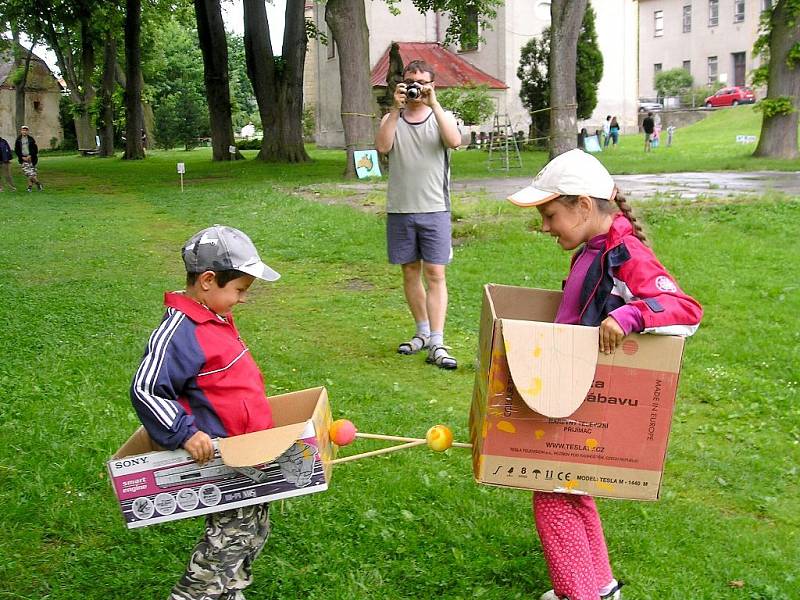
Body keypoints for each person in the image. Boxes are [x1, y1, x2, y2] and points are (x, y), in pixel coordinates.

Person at [507, 149, 703, 600]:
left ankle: (579, 593)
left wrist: (631, 316)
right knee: (574, 487)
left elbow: (686, 309)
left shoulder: (623, 252)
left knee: (552, 493)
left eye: (550, 214)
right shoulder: (595, 246)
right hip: (571, 387)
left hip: (589, 395)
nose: (544, 226)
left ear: (582, 205)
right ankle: (600, 586)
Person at [130, 224, 281, 600]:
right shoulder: (179, 331)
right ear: (209, 281)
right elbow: (146, 388)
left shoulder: (214, 318)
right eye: (240, 290)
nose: (242, 299)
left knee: (254, 529)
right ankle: (193, 595)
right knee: (229, 537)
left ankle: (229, 591)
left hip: (249, 452)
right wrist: (185, 433)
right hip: (222, 456)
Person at [375, 59, 462, 369]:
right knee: (410, 272)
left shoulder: (443, 117)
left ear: (431, 85)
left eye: (422, 82)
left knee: (436, 274)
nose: (415, 87)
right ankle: (422, 332)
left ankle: (437, 341)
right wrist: (395, 109)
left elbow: (455, 141)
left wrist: (434, 104)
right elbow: (383, 147)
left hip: (435, 208)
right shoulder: (392, 118)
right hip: (400, 209)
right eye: (411, 81)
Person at [14, 125, 43, 191]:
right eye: (23, 130)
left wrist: (30, 155)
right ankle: (38, 184)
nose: (24, 131)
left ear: (27, 131)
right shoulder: (18, 140)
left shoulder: (31, 139)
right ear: (21, 131)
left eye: (26, 130)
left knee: (33, 173)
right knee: (28, 173)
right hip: (23, 159)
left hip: (32, 159)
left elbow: (35, 149)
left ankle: (29, 187)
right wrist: (22, 157)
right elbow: (17, 150)